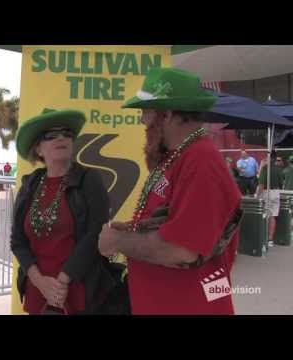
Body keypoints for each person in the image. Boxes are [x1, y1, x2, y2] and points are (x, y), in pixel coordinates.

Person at [98, 67, 242, 315]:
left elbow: (184, 251)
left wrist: (117, 241)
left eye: (146, 112)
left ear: (167, 114)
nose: (143, 121)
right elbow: (173, 223)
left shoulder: (201, 160)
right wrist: (135, 229)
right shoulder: (177, 157)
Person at [10, 108, 117, 315]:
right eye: (51, 135)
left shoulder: (89, 179)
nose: (61, 138)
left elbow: (95, 234)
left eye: (67, 133)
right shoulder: (30, 184)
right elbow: (17, 241)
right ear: (38, 149)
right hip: (37, 290)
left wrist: (60, 283)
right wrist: (40, 282)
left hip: (78, 291)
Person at [257, 152, 284, 247]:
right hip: (276, 193)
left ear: (268, 158)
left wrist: (257, 195)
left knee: (265, 215)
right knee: (273, 216)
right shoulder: (278, 169)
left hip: (266, 192)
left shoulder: (265, 168)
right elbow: (281, 184)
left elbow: (261, 184)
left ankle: (263, 237)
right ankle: (270, 239)